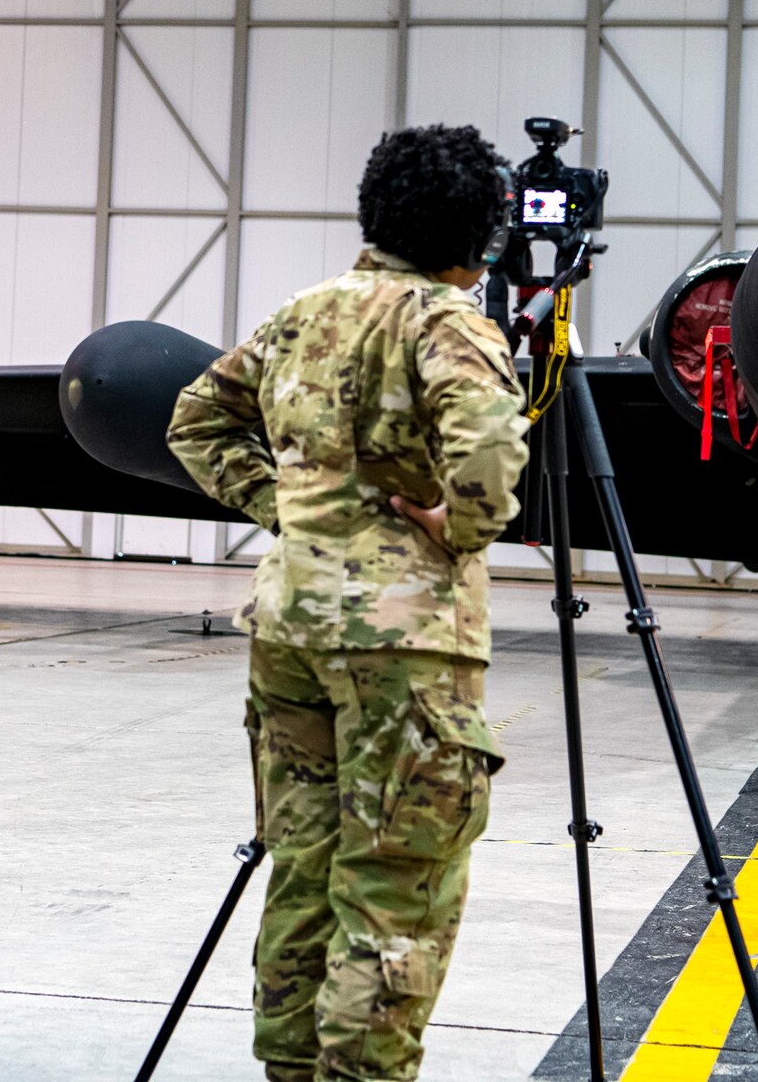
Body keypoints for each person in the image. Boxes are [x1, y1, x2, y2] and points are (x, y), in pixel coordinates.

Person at [166, 124, 529, 1082]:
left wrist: (284, 506)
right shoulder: (449, 323)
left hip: (287, 627)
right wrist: (455, 524)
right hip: (404, 644)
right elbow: (489, 468)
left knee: (303, 866)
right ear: (476, 234)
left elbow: (196, 417)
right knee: (395, 887)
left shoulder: (303, 312)